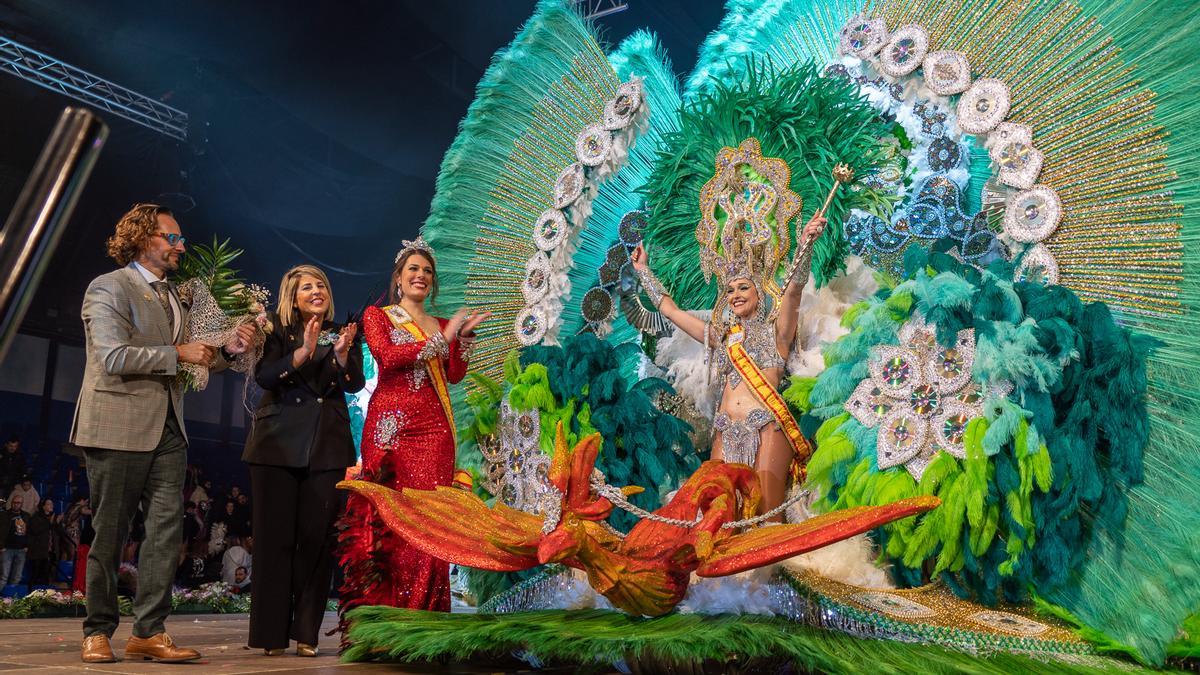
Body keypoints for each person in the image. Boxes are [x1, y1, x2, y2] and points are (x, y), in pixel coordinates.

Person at [71, 203, 257, 664]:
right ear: (141, 239)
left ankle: (149, 631)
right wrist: (178, 351)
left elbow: (198, 356)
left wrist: (228, 350)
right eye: (171, 238)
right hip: (117, 426)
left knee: (165, 534)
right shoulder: (108, 287)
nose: (180, 246)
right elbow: (112, 357)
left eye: (180, 239)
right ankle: (97, 631)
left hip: (170, 428)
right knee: (110, 534)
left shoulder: (178, 296)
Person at [630, 212, 827, 518]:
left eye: (744, 288)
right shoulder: (722, 339)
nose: (735, 295)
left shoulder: (778, 334)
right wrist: (643, 271)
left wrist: (805, 244)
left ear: (759, 294)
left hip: (766, 427)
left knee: (765, 518)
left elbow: (793, 291)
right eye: (730, 290)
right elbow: (670, 311)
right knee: (719, 519)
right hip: (724, 429)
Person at [339, 236, 488, 623]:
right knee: (389, 520)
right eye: (414, 270)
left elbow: (453, 375)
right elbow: (387, 359)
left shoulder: (441, 324)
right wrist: (444, 339)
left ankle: (426, 617)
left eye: (427, 271)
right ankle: (382, 618)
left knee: (430, 520)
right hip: (392, 428)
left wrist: (464, 341)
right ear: (399, 279)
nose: (421, 276)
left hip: (434, 431)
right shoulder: (379, 316)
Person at [242, 263, 364, 657]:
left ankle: (307, 633)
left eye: (321, 286)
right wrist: (304, 353)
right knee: (274, 542)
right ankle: (270, 635)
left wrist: (342, 357)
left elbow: (355, 383)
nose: (317, 291)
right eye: (307, 287)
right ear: (292, 297)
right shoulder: (275, 330)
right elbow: (264, 376)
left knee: (316, 541)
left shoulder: (343, 331)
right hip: (275, 446)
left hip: (326, 447)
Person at [27, 498, 57, 587]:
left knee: (46, 576)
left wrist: (56, 523)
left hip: (48, 551)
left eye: (52, 504)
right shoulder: (36, 517)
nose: (51, 506)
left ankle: (44, 596)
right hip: (37, 551)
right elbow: (35, 530)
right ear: (43, 506)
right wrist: (49, 523)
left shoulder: (52, 517)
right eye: (48, 504)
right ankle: (31, 594)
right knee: (35, 575)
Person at [0, 495, 28, 586]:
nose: (16, 504)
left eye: (18, 503)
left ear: (22, 504)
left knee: (17, 577)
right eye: (14, 502)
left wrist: (27, 546)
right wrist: (1, 546)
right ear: (11, 503)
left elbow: (30, 532)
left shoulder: (26, 516)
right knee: (4, 576)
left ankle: (12, 598)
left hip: (21, 550)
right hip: (7, 549)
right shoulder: (3, 515)